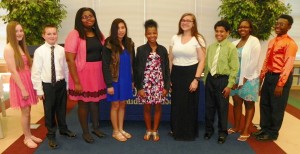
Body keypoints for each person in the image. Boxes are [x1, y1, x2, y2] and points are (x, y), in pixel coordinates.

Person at [253, 14, 298, 141]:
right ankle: (264, 129)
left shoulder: (291, 44)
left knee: (277, 106)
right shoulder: (272, 41)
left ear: (289, 27)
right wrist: (262, 77)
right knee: (265, 104)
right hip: (269, 76)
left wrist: (280, 84)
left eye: (282, 24)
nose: (278, 26)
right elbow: (267, 60)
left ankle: (272, 133)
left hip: (280, 78)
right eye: (277, 23)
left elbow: (288, 65)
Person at [65, 7, 107, 143]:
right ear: (79, 19)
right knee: (83, 103)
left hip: (97, 73)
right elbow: (70, 59)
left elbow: (106, 51)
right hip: (82, 74)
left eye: (91, 16)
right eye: (84, 17)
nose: (88, 19)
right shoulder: (75, 34)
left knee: (95, 102)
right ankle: (85, 132)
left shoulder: (98, 33)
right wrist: (76, 81)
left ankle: (96, 128)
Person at [31, 24, 76, 149]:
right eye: (49, 34)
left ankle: (63, 129)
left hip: (61, 84)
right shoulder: (39, 51)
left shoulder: (62, 50)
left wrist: (67, 85)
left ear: (57, 34)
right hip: (47, 86)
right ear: (43, 35)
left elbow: (66, 69)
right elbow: (36, 72)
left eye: (54, 33)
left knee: (62, 109)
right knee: (49, 110)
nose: (52, 36)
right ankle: (51, 134)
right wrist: (39, 90)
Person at [3, 21, 41, 148]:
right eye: (16, 31)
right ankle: (26, 138)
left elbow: (27, 65)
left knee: (28, 110)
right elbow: (13, 71)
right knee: (25, 111)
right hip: (20, 82)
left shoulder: (20, 45)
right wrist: (23, 89)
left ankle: (29, 134)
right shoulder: (9, 48)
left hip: (27, 79)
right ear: (10, 33)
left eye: (21, 31)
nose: (19, 33)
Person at [169, 13, 206, 141]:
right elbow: (170, 58)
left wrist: (196, 79)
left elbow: (202, 60)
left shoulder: (198, 39)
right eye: (183, 20)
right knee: (177, 104)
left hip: (191, 73)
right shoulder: (174, 38)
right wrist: (169, 77)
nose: (185, 22)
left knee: (190, 104)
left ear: (193, 23)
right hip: (176, 74)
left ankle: (188, 133)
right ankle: (176, 131)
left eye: (188, 21)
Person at [204, 20, 239, 144]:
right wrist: (205, 80)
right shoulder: (211, 47)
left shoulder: (231, 48)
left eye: (222, 31)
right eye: (217, 31)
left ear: (227, 33)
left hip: (223, 80)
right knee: (209, 107)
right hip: (210, 80)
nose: (219, 34)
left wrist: (229, 85)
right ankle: (209, 130)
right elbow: (207, 65)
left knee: (222, 108)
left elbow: (235, 68)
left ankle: (222, 132)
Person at [135, 19, 170, 141]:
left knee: (158, 107)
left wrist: (166, 87)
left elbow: (166, 69)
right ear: (145, 34)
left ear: (157, 33)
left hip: (159, 84)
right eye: (149, 33)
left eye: (154, 33)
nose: (152, 35)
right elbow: (137, 69)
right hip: (146, 85)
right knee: (147, 108)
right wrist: (139, 87)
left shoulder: (163, 50)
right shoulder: (140, 50)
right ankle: (148, 130)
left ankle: (155, 131)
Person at [228, 19, 261, 142]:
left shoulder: (254, 41)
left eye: (246, 27)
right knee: (236, 103)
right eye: (241, 27)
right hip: (235, 78)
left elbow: (254, 62)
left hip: (249, 78)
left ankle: (246, 130)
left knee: (249, 104)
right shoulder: (235, 43)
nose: (243, 29)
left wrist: (242, 81)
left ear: (250, 29)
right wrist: (233, 80)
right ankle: (236, 127)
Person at [102, 18, 135, 142]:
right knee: (115, 105)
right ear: (113, 30)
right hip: (115, 80)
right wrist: (109, 84)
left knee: (123, 104)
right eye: (118, 28)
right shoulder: (108, 44)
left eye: (123, 27)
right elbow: (105, 65)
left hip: (126, 79)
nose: (121, 31)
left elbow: (133, 63)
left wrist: (132, 81)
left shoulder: (130, 43)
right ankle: (115, 131)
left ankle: (121, 129)